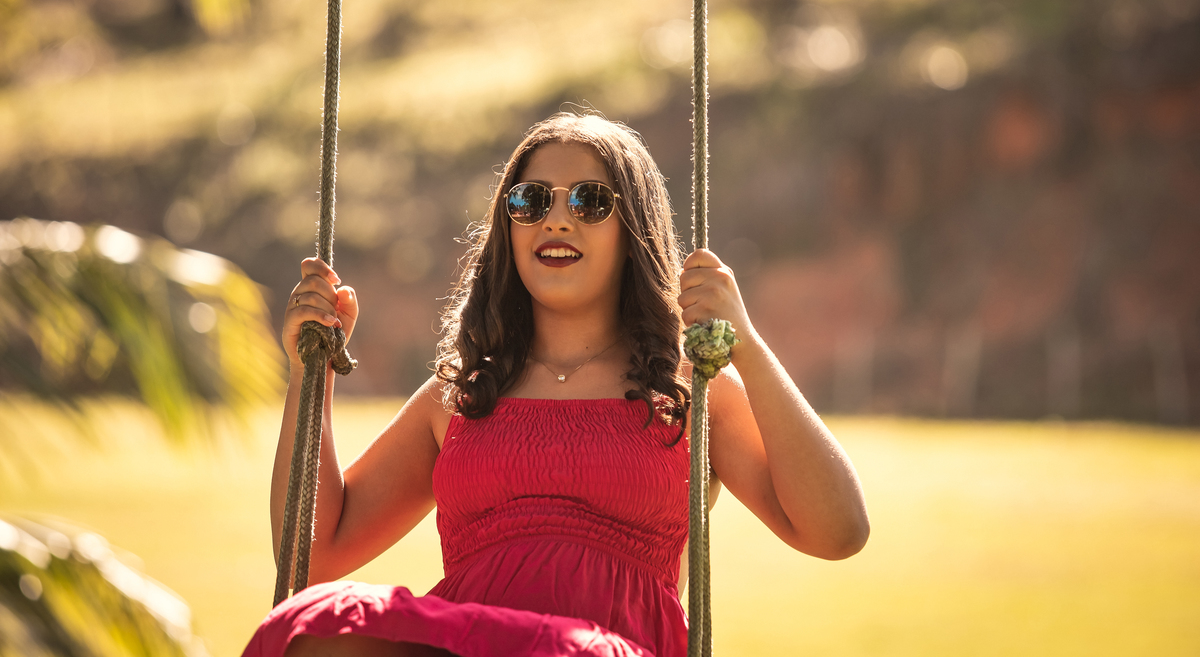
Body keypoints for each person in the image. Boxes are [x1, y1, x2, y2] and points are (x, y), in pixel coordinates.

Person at [244, 111, 869, 657]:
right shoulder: (462, 393)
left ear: (633, 236)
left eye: (591, 201)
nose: (558, 220)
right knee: (314, 631)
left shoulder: (692, 391)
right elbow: (311, 555)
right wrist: (311, 372)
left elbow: (837, 531)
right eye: (531, 201)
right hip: (471, 646)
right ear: (509, 226)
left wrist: (746, 346)